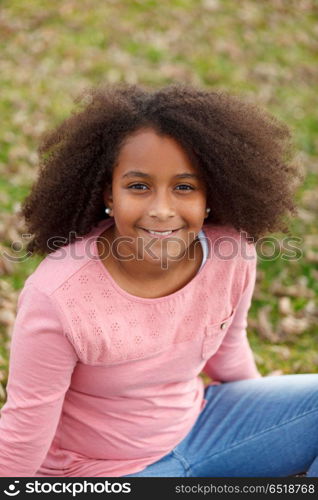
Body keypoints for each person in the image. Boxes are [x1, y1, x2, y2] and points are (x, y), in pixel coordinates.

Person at [0, 83, 317, 478]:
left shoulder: (231, 253)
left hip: (203, 430)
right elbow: (25, 426)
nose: (162, 210)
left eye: (184, 187)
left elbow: (228, 350)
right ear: (109, 195)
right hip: (100, 474)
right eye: (138, 187)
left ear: (210, 195)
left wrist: (262, 421)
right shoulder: (58, 295)